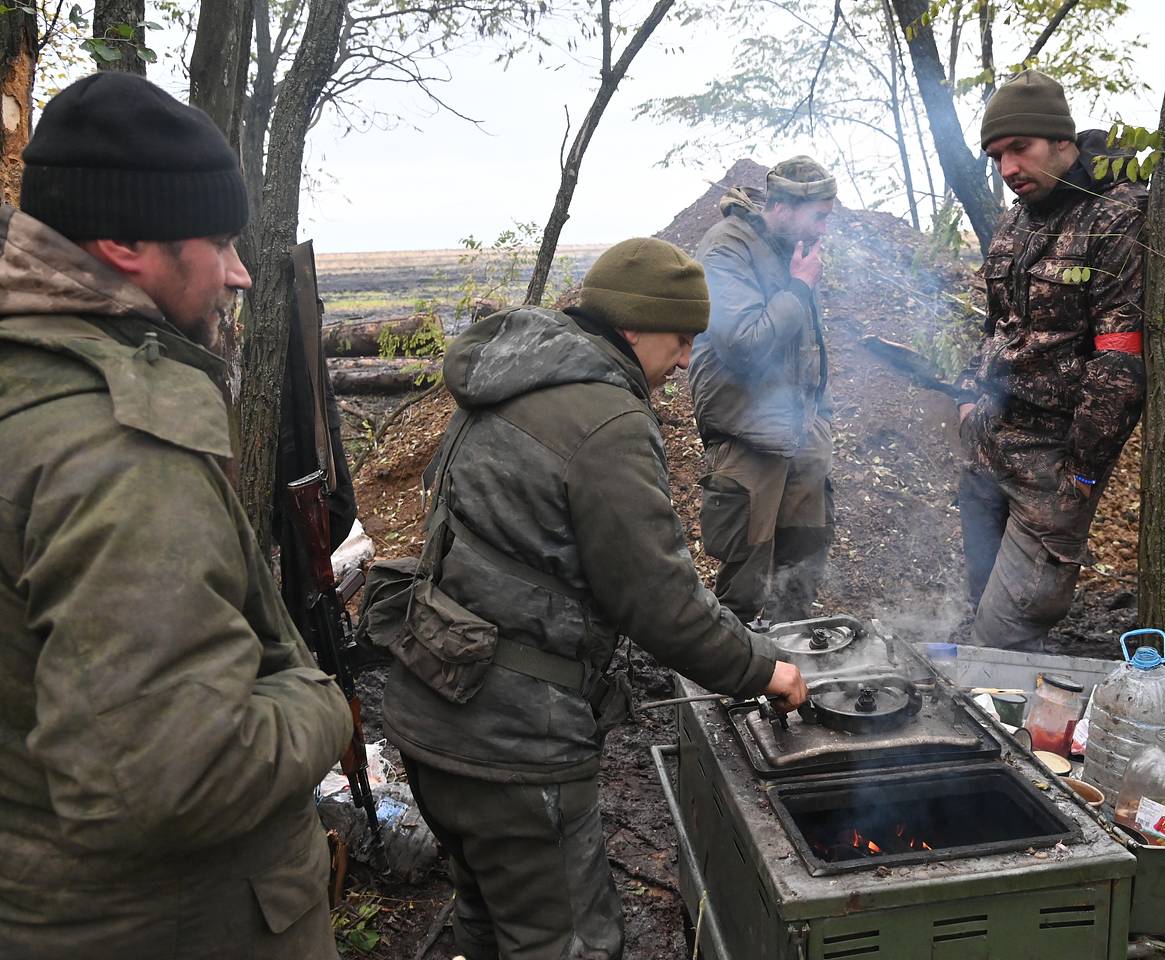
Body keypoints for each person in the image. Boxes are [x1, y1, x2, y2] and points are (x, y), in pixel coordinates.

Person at [0, 74, 353, 959]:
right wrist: (321, 705)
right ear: (122, 240)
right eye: (221, 241)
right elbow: (173, 777)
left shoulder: (24, 383)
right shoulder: (118, 446)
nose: (238, 271)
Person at [380, 237, 808, 960]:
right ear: (633, 326)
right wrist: (764, 669)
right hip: (514, 745)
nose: (683, 363)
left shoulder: (509, 379)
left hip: (431, 708)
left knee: (488, 919)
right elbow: (661, 601)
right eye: (679, 341)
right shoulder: (605, 420)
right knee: (565, 944)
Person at [955, 70, 1147, 651]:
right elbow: (998, 323)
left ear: (1061, 140)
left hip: (1053, 462)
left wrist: (1084, 472)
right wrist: (968, 398)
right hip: (988, 445)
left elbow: (1118, 360)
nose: (1008, 168)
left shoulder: (1116, 216)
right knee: (980, 597)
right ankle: (1024, 718)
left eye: (1020, 149)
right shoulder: (1016, 220)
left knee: (1004, 631)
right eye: (996, 157)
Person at [689, 156, 837, 625]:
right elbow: (745, 344)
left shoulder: (789, 247)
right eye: (819, 216)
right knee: (746, 582)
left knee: (802, 567)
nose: (823, 229)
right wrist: (798, 287)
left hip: (801, 433)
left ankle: (796, 668)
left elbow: (805, 349)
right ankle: (735, 686)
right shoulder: (727, 247)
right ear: (783, 206)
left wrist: (821, 419)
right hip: (747, 435)